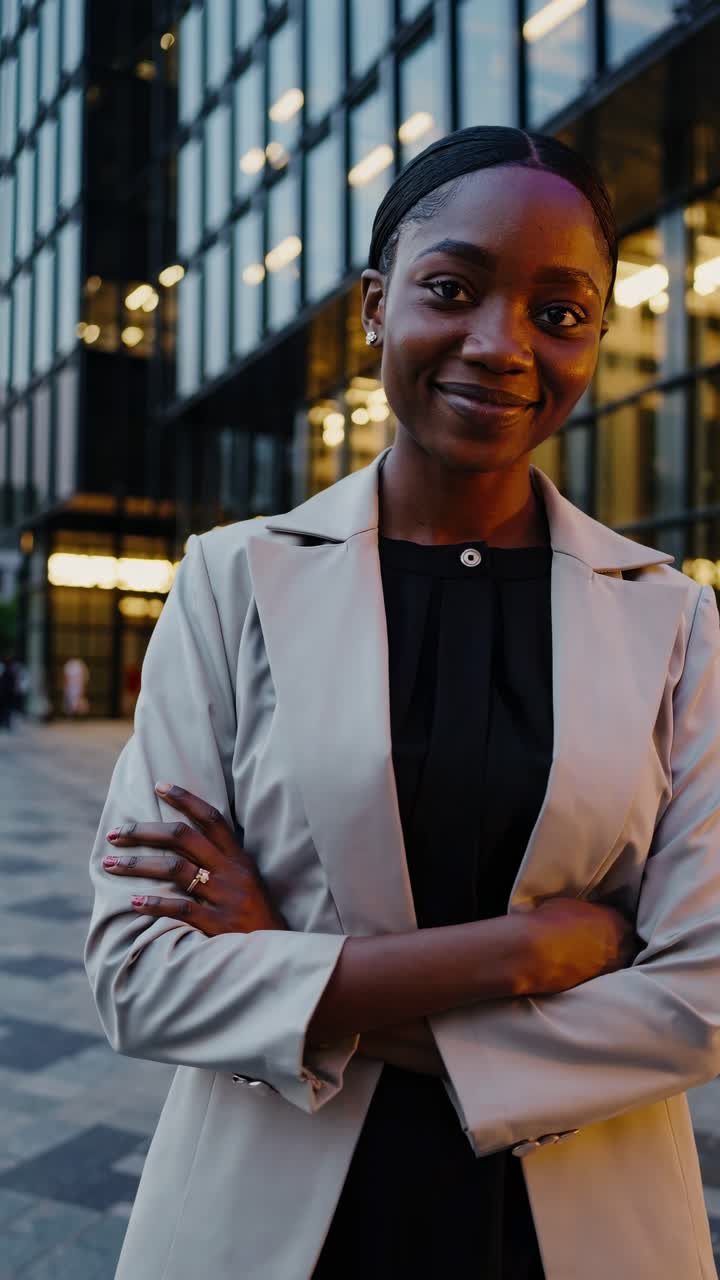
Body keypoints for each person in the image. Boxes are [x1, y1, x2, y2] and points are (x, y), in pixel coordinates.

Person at [85, 127, 720, 1280]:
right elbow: (139, 973)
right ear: (377, 305)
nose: (501, 343)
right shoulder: (234, 581)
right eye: (452, 289)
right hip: (268, 1222)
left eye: (560, 312)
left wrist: (284, 963)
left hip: (579, 1226)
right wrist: (523, 952)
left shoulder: (672, 616)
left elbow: (701, 996)